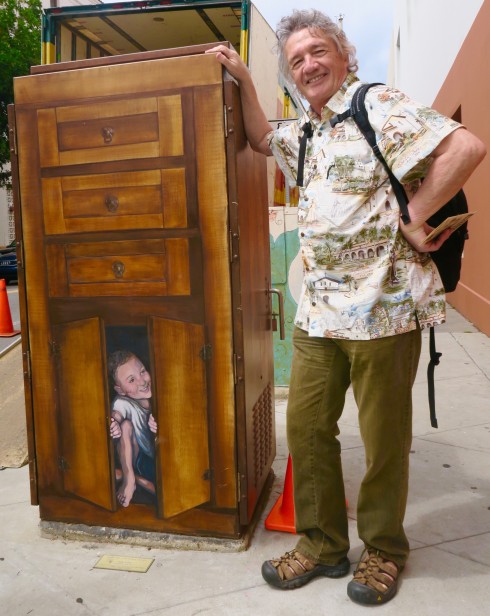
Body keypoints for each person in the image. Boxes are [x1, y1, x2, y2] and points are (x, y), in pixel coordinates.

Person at [207, 9, 486, 606]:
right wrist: (244, 81)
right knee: (306, 429)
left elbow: (464, 146)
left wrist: (413, 219)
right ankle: (322, 544)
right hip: (320, 313)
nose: (309, 64)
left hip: (384, 309)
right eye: (297, 60)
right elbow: (260, 138)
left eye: (317, 51)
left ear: (344, 54)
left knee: (383, 439)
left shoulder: (376, 105)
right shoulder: (304, 132)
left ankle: (383, 549)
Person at [108, 350, 158, 507]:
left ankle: (133, 479)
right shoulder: (124, 403)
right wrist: (113, 425)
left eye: (142, 371)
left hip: (160, 458)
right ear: (120, 390)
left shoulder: (160, 392)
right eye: (131, 380)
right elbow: (115, 416)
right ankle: (129, 478)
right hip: (139, 460)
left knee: (165, 492)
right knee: (126, 426)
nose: (142, 382)